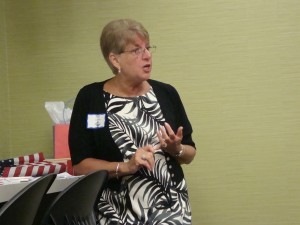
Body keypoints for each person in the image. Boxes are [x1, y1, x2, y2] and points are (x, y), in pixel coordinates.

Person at [69, 18, 197, 225]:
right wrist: (125, 166)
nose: (147, 56)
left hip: (171, 212)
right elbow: (81, 166)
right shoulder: (90, 98)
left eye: (148, 48)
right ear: (115, 60)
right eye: (137, 50)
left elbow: (190, 153)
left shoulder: (166, 93)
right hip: (116, 213)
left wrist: (176, 149)